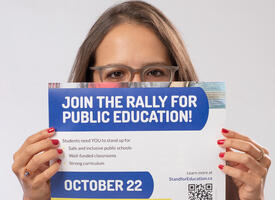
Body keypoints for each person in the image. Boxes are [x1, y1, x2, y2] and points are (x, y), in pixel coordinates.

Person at [12, 1, 271, 200]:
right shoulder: (56, 174)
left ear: (180, 79)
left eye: (155, 73)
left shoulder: (218, 175)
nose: (135, 89)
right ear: (87, 81)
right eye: (116, 73)